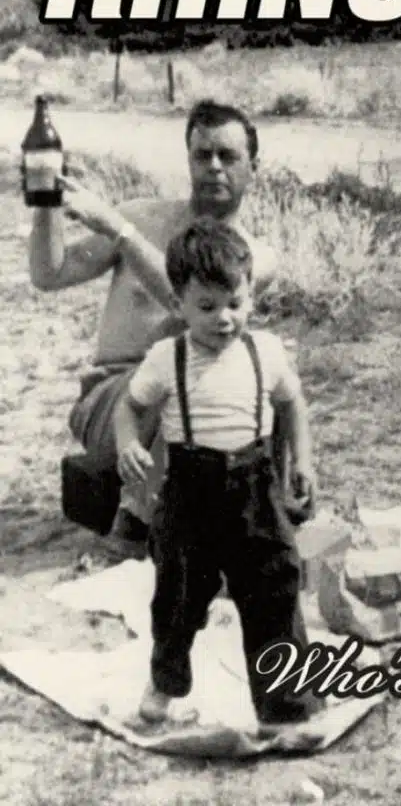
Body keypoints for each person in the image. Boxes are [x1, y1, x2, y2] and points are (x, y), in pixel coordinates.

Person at [27, 100, 277, 555]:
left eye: (227, 156)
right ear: (188, 160)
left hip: (192, 397)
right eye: (203, 155)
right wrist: (46, 202)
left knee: (238, 370)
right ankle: (136, 520)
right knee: (183, 374)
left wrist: (119, 231)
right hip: (113, 399)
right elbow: (49, 274)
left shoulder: (255, 255)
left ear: (253, 168)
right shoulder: (143, 217)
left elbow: (184, 302)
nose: (214, 167)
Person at [114, 218, 318, 727]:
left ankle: (284, 704)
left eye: (236, 303)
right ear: (178, 303)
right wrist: (127, 444)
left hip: (255, 484)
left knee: (275, 586)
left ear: (251, 295)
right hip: (190, 492)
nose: (224, 318)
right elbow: (129, 409)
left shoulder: (265, 351)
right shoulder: (167, 358)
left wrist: (302, 462)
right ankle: (166, 681)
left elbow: (292, 405)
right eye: (207, 307)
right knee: (178, 595)